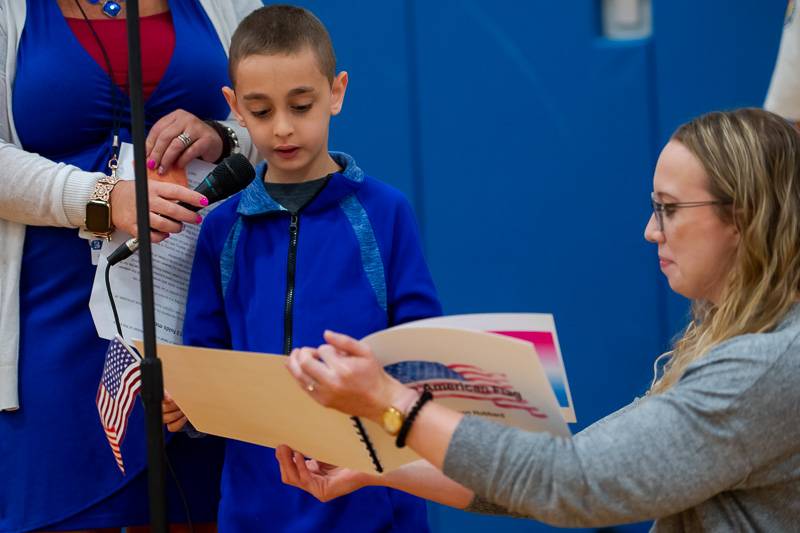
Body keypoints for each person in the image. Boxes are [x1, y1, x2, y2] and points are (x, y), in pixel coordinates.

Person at [280, 108, 800, 530]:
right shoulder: (747, 342)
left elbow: (570, 484)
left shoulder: (763, 366)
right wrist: (379, 467)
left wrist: (390, 402)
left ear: (743, 216)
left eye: (669, 208)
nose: (651, 231)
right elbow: (549, 474)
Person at [166, 4, 443, 531]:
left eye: (301, 104)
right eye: (262, 111)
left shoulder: (386, 213)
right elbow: (205, 359)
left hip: (375, 503)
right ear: (234, 108)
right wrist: (186, 407)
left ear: (336, 92)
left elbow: (420, 358)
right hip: (255, 507)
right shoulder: (221, 228)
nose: (284, 129)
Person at [0, 1, 260, 531]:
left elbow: (279, 119)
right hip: (49, 328)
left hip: (200, 327)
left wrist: (225, 135)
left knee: (205, 510)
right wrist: (100, 198)